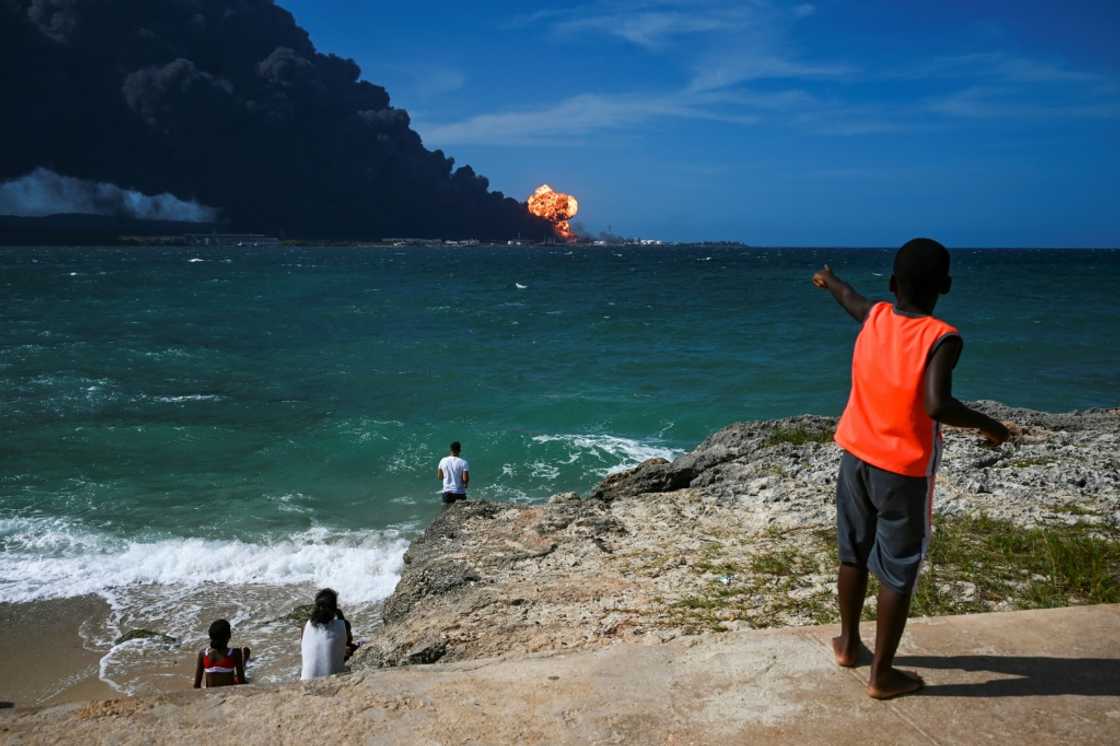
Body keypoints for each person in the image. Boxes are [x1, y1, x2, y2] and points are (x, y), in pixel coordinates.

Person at [812, 238, 1010, 700]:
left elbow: (848, 297)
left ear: (893, 284)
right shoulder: (942, 336)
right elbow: (937, 404)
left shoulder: (875, 316)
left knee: (853, 554)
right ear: (946, 285)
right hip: (902, 472)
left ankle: (847, 644)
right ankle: (882, 675)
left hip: (854, 458)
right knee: (897, 571)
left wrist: (828, 278)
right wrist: (992, 426)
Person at [300, 588, 356, 680]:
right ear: (334, 608)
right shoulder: (343, 625)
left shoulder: (305, 627)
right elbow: (348, 642)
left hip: (306, 681)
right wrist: (341, 616)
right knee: (349, 651)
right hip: (331, 682)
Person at [193, 619, 249, 688]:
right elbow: (241, 682)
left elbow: (196, 685)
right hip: (230, 688)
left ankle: (244, 659)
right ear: (229, 636)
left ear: (210, 636)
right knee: (239, 676)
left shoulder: (203, 653)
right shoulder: (235, 652)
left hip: (210, 691)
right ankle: (244, 660)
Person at [436, 441, 470, 505]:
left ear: (450, 449)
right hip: (459, 493)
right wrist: (466, 484)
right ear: (459, 450)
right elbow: (465, 479)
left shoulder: (442, 460)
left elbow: (440, 477)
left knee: (447, 512)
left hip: (447, 492)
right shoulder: (463, 462)